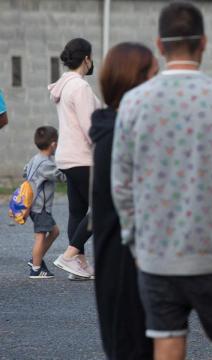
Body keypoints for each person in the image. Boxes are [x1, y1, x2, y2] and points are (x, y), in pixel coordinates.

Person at [111, 3, 212, 360]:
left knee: (167, 344)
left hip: (158, 255)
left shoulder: (133, 103)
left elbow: (121, 184)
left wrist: (135, 241)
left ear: (160, 45)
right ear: (204, 42)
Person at [91, 42, 157, 360]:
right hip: (125, 267)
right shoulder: (119, 135)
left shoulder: (117, 128)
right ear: (135, 81)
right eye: (153, 76)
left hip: (132, 262)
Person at [50, 38, 101, 280]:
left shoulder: (64, 84)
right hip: (83, 157)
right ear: (87, 59)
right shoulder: (80, 87)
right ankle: (69, 256)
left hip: (66, 157)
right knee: (103, 205)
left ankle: (78, 264)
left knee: (78, 210)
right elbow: (90, 126)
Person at [24, 127, 66, 279]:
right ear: (54, 145)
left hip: (35, 206)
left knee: (54, 232)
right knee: (40, 237)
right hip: (39, 207)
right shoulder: (47, 165)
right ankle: (35, 268)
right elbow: (61, 177)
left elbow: (25, 171)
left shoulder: (35, 159)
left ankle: (36, 259)